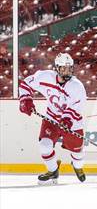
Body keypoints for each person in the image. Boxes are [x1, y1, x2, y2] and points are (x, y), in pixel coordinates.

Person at [19, 53, 87, 184]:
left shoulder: (77, 86)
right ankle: (53, 171)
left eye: (69, 68)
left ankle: (77, 167)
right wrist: (25, 99)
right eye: (63, 68)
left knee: (78, 153)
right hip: (52, 118)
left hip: (73, 122)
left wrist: (67, 119)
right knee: (44, 146)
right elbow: (26, 84)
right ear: (57, 68)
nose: (67, 71)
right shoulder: (45, 76)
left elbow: (78, 106)